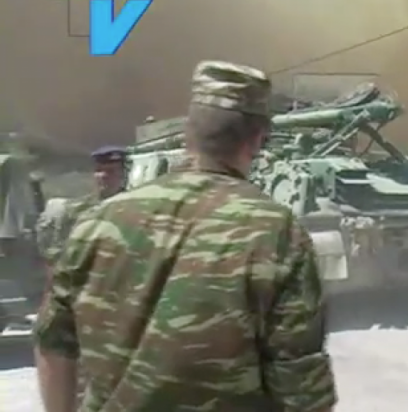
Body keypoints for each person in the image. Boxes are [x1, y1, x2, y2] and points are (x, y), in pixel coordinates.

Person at [33, 60, 337, 412]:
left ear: (187, 134)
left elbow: (53, 342)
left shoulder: (97, 223)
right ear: (256, 140)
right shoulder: (277, 232)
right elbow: (300, 385)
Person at [35, 146, 127, 266]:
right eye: (99, 170)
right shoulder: (77, 210)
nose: (103, 175)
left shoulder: (133, 207)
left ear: (123, 175)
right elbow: (58, 250)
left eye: (111, 171)